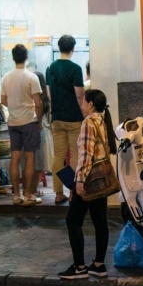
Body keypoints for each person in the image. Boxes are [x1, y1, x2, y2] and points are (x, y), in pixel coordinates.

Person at [58, 88, 114, 280]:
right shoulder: (103, 121)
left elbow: (86, 156)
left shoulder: (89, 123)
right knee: (100, 222)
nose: (81, 104)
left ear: (90, 104)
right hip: (102, 180)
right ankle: (99, 265)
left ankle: (79, 267)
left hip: (89, 179)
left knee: (72, 221)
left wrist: (78, 182)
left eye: (83, 101)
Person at [0, 43, 44, 205]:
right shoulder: (31, 77)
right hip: (29, 121)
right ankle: (27, 195)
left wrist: (14, 107)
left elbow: (3, 100)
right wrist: (38, 120)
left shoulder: (6, 77)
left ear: (12, 58)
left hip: (13, 122)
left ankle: (16, 195)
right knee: (30, 158)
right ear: (26, 58)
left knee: (15, 158)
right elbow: (38, 103)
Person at [46, 35, 86, 206]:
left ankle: (57, 194)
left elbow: (48, 94)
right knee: (75, 155)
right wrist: (84, 114)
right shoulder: (75, 69)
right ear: (73, 49)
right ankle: (73, 192)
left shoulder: (50, 68)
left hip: (57, 118)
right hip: (74, 118)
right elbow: (79, 95)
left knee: (59, 156)